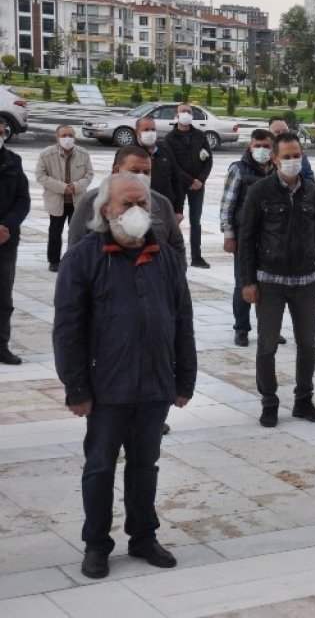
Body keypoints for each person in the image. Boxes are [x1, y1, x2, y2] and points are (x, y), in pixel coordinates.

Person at [54, 173, 195, 580]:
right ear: (105, 210)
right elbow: (68, 328)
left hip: (153, 384)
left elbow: (181, 319)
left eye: (143, 205)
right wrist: (76, 387)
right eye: (126, 204)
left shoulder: (165, 257)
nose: (136, 212)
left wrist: (184, 378)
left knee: (145, 465)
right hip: (105, 387)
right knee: (99, 466)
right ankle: (97, 543)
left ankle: (143, 537)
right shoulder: (83, 258)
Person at [239, 133, 315, 427]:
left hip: (306, 280)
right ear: (276, 159)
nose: (293, 161)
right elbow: (246, 240)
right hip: (270, 281)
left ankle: (304, 401)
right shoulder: (260, 191)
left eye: (297, 155)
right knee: (267, 346)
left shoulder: (311, 192)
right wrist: (248, 281)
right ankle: (269, 402)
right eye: (287, 157)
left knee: (308, 345)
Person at [68, 147, 185, 263]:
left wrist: (175, 276)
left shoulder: (162, 203)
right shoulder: (91, 201)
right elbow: (75, 247)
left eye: (146, 172)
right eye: (135, 171)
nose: (142, 177)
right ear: (116, 170)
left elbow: (176, 246)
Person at [220, 130, 278, 347]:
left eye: (266, 146)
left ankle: (270, 328)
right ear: (250, 146)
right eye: (258, 145)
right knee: (243, 282)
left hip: (271, 237)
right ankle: (242, 328)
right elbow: (228, 204)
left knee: (271, 285)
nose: (262, 150)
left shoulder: (276, 170)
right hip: (244, 236)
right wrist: (228, 234)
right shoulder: (238, 169)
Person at [35, 125, 94, 272]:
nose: (67, 138)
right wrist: (62, 187)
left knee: (77, 232)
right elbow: (41, 176)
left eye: (70, 135)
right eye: (64, 135)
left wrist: (76, 186)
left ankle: (76, 260)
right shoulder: (46, 154)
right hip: (57, 200)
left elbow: (89, 175)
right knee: (55, 232)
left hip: (77, 200)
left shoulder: (83, 153)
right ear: (57, 137)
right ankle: (54, 261)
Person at [165, 103, 213, 267]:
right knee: (174, 219)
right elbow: (172, 165)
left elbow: (208, 160)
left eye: (189, 111)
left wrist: (200, 180)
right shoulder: (170, 139)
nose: (186, 114)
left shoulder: (200, 135)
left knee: (196, 221)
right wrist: (190, 181)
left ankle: (196, 256)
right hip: (178, 184)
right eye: (183, 111)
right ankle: (171, 254)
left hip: (198, 185)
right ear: (176, 115)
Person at [0, 123, 28, 365]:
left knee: (3, 296)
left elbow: (22, 200)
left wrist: (6, 226)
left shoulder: (13, 162)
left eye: (1, 133)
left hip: (5, 241)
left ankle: (1, 345)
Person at [134, 116, 179, 214]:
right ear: (137, 131)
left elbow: (176, 180)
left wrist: (178, 210)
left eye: (153, 129)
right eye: (146, 130)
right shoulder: (129, 152)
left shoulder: (165, 150)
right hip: (137, 206)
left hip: (164, 206)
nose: (150, 132)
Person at [267, 117, 315, 183]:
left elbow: (309, 177)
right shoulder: (264, 156)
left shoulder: (300, 154)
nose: (282, 134)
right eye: (277, 132)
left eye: (285, 131)